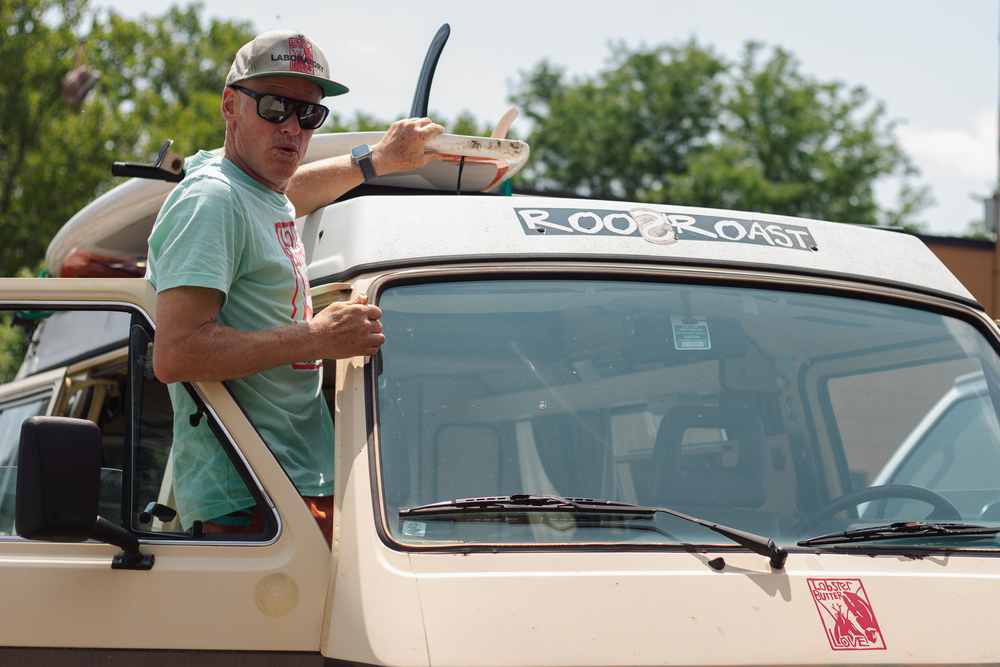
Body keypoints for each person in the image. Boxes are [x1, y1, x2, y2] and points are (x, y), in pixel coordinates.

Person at [146, 29, 444, 545]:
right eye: (275, 107)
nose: (292, 127)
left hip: (287, 485)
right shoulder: (211, 200)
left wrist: (378, 160)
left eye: (309, 114)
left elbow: (286, 197)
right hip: (249, 498)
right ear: (230, 105)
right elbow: (176, 352)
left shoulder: (250, 189)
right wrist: (317, 337)